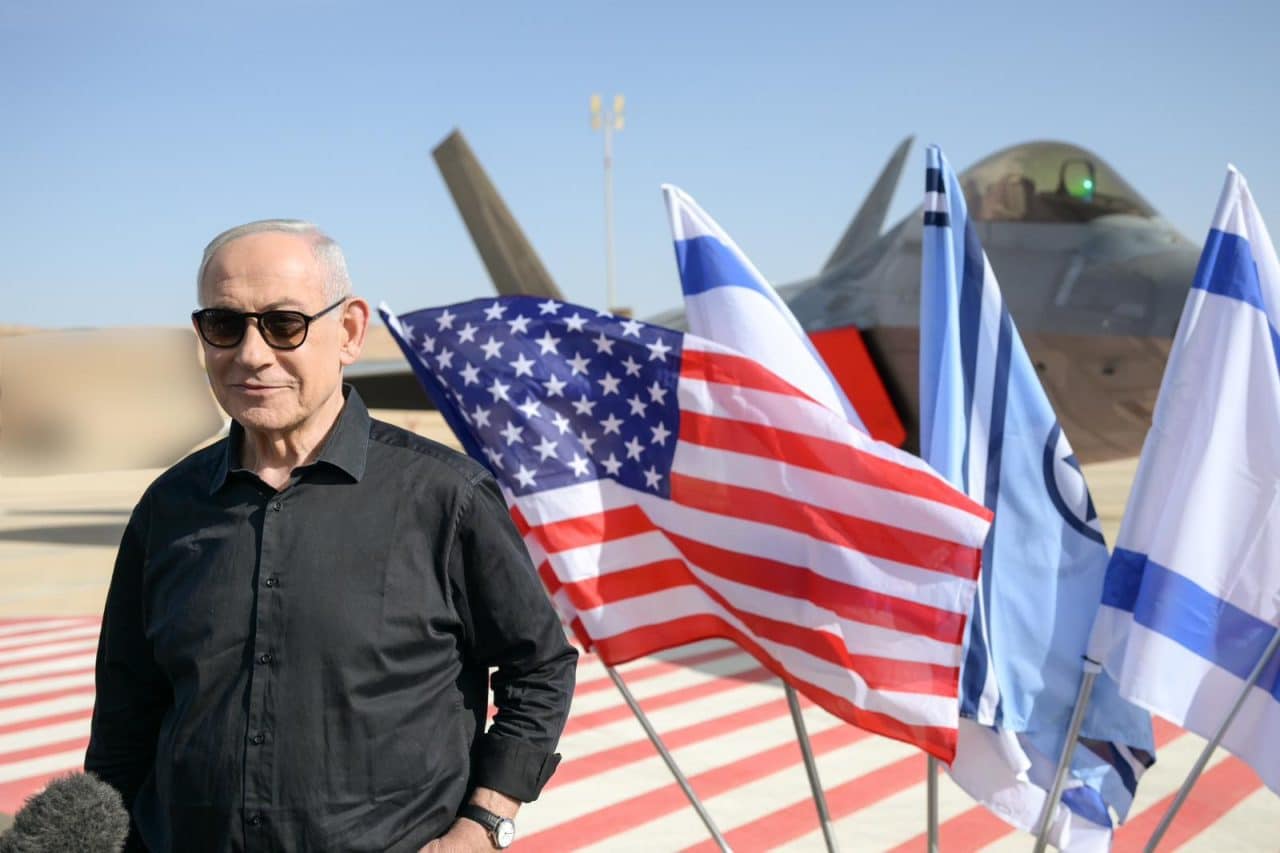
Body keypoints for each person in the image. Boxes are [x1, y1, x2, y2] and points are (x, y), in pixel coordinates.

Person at [85, 220, 577, 852]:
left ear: (348, 331)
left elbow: (539, 667)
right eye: (224, 325)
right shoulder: (168, 508)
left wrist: (484, 824)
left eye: (284, 324)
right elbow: (125, 712)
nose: (251, 354)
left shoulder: (446, 497)